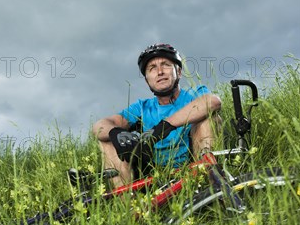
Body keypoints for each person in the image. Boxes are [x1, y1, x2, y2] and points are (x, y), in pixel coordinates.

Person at [92, 43, 222, 188]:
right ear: (147, 80)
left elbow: (212, 102)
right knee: (106, 139)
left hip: (192, 165)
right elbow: (99, 125)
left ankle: (212, 182)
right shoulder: (142, 107)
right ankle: (129, 204)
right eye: (152, 68)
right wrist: (115, 133)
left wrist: (163, 127)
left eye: (165, 65)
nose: (160, 72)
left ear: (178, 72)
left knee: (209, 118)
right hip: (153, 173)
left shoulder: (194, 94)